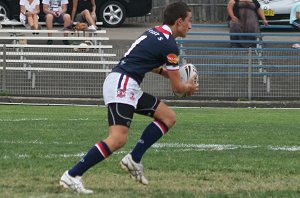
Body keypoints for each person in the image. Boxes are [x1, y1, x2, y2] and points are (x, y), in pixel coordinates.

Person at [59, 1, 199, 194]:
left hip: (125, 83)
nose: (190, 26)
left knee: (168, 117)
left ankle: (133, 159)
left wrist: (167, 73)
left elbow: (145, 61)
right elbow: (177, 89)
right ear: (179, 21)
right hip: (122, 84)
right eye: (189, 21)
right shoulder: (170, 45)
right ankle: (72, 175)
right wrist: (188, 87)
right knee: (117, 139)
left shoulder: (155, 32)